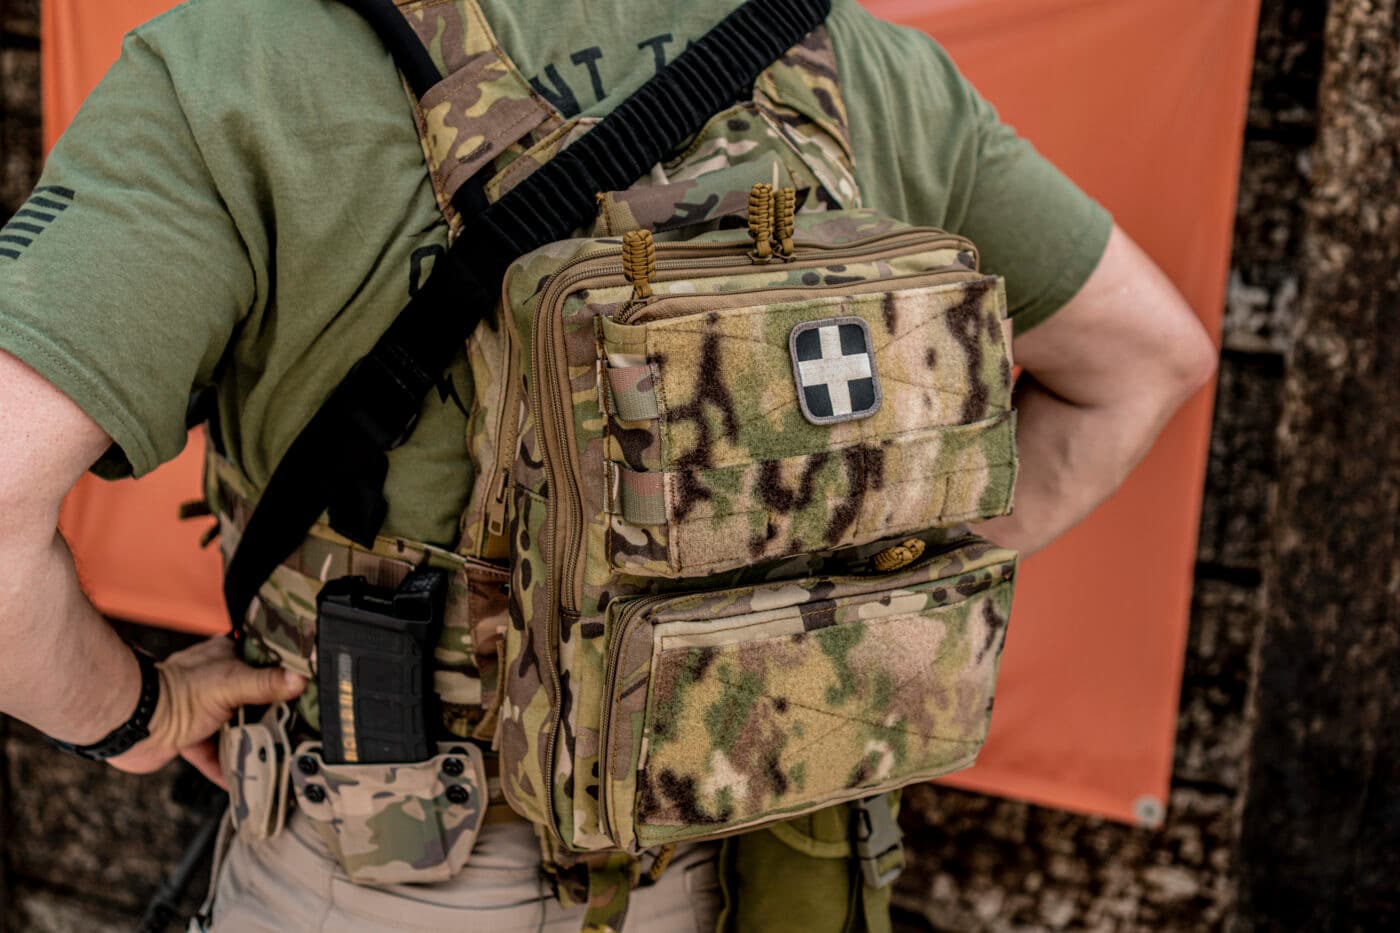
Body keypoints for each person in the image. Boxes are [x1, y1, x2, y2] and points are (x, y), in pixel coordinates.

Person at [0, 0, 1217, 929]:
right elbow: (1143, 364)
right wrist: (845, 624)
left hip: (408, 871)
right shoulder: (852, 57)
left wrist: (136, 717)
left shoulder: (243, 62)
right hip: (777, 846)